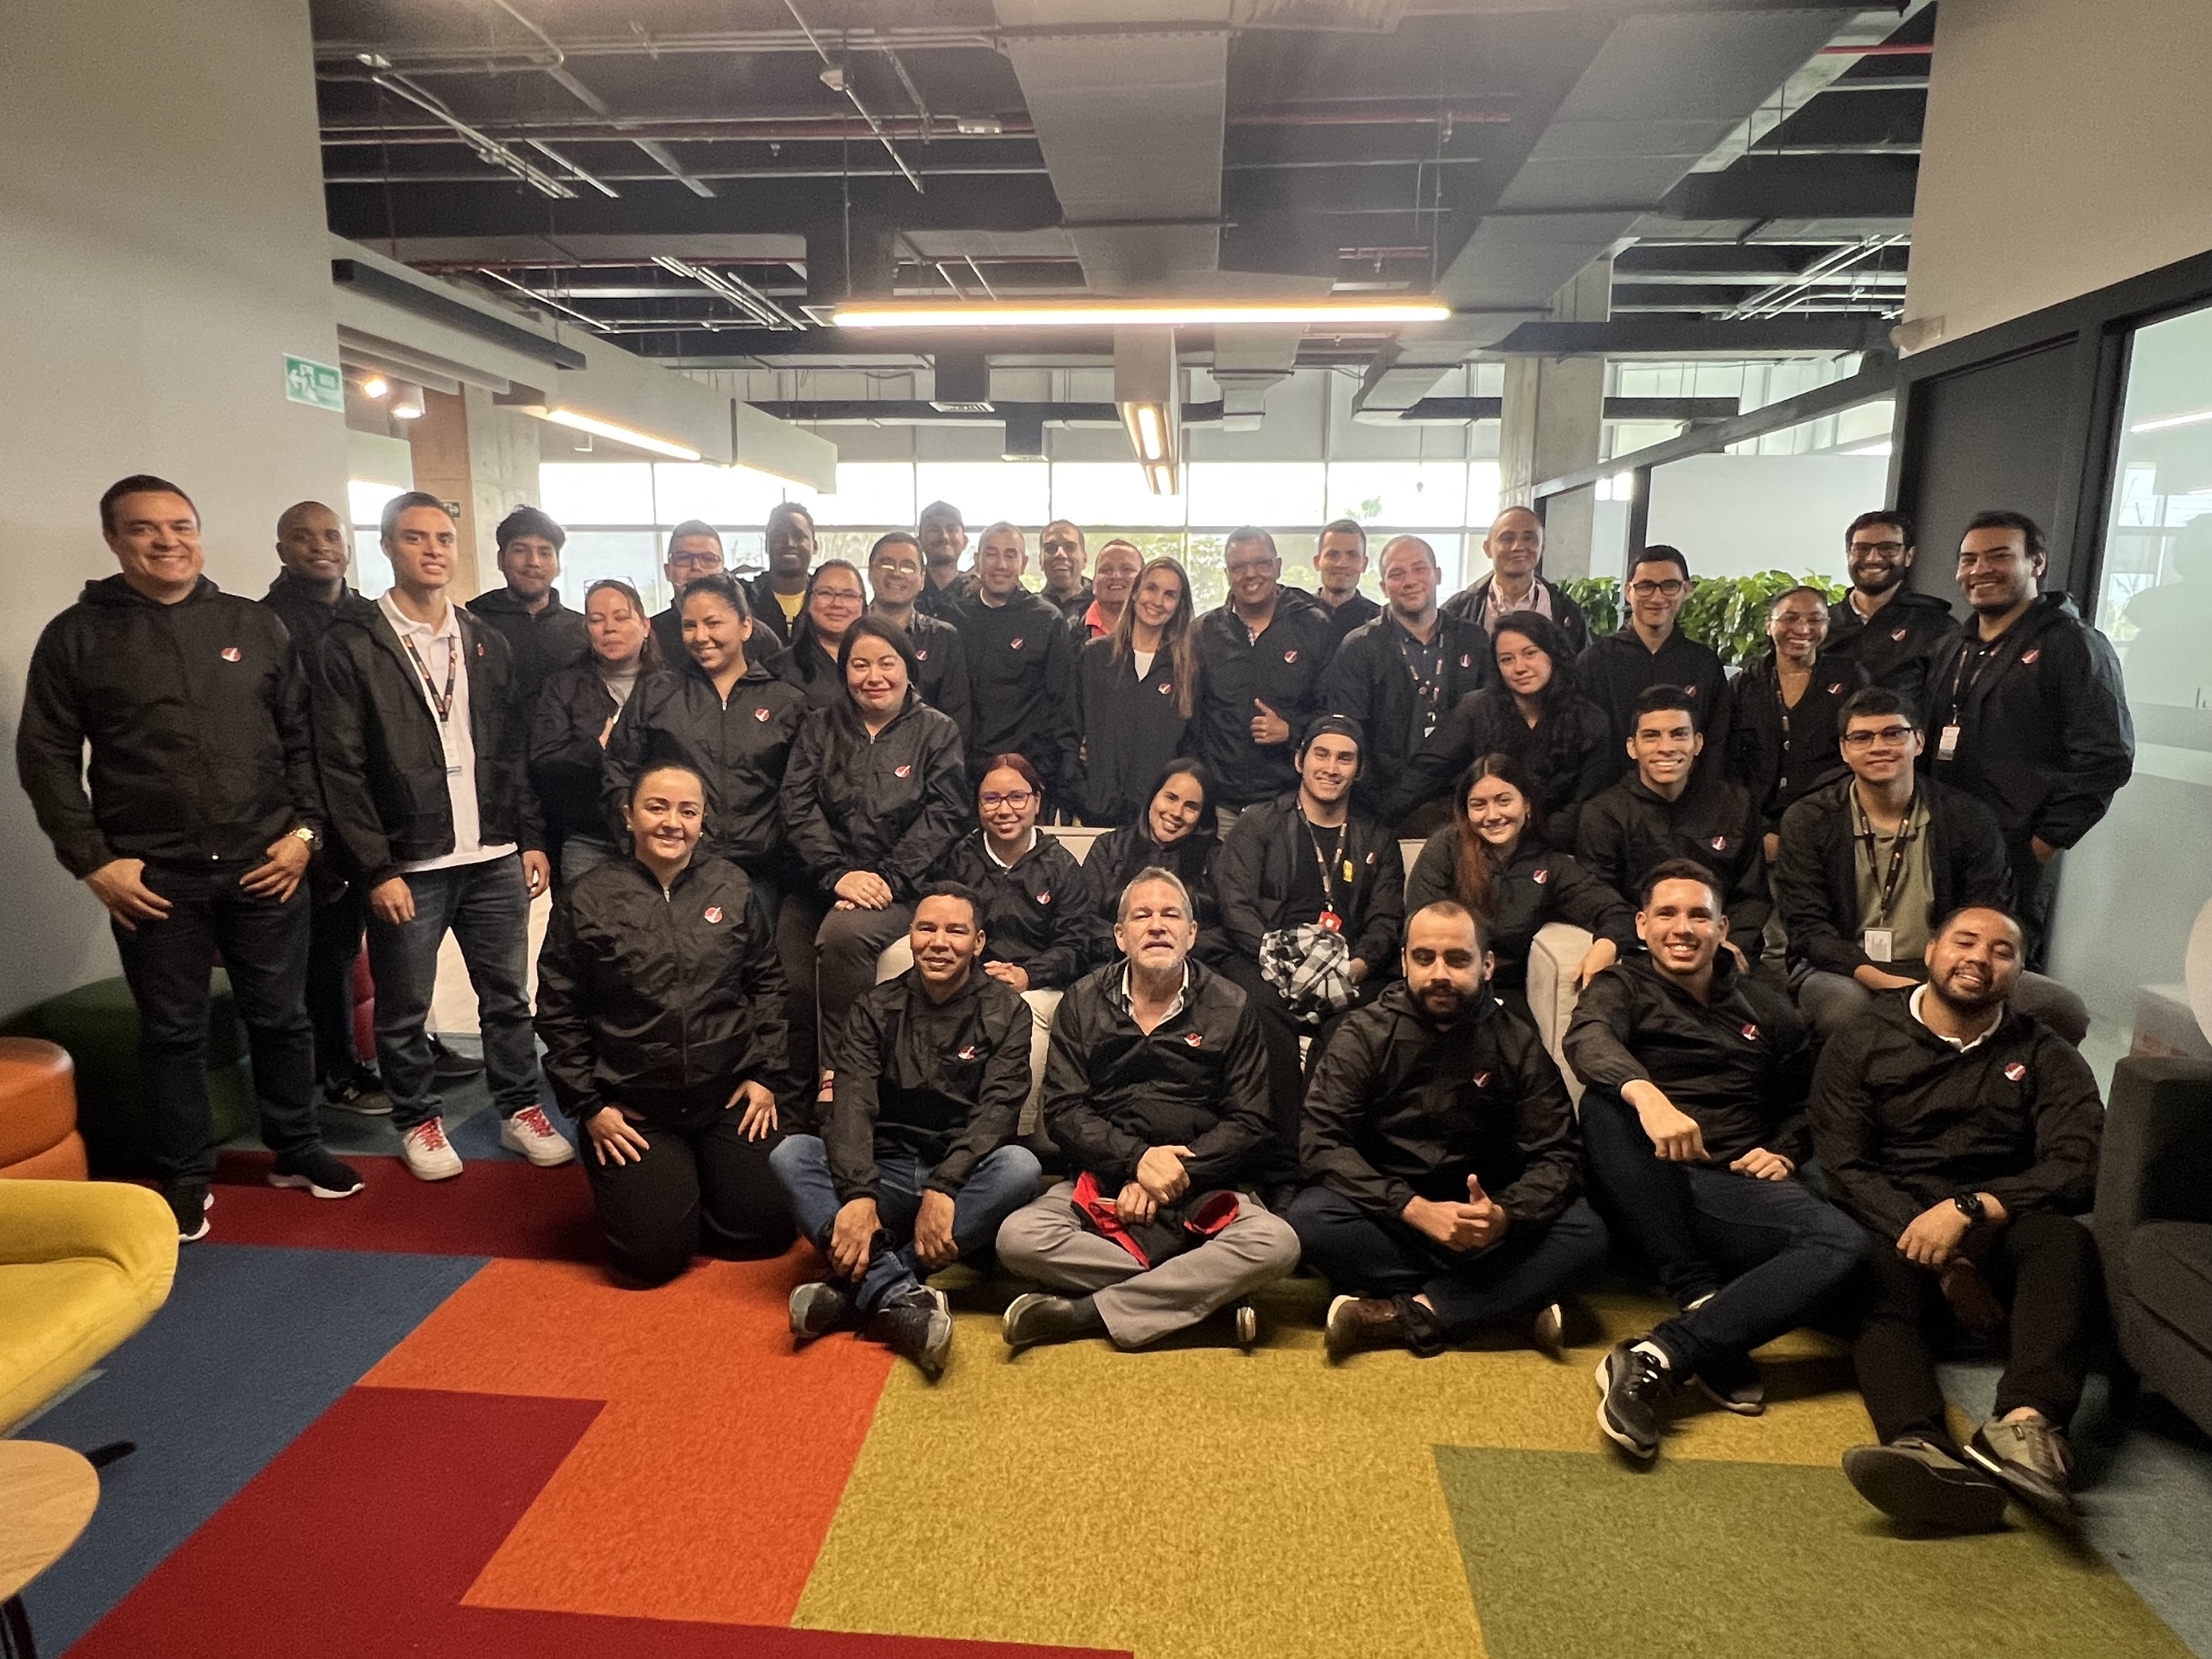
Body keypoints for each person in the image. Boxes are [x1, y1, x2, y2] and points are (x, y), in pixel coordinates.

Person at [19, 475, 361, 1238]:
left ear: (199, 534)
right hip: (153, 877)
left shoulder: (253, 624)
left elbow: (304, 741)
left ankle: (296, 1146)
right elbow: (45, 756)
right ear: (114, 540)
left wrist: (306, 836)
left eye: (180, 525)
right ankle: (184, 1174)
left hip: (267, 862)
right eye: (145, 528)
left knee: (283, 1018)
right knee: (172, 1033)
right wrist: (93, 861)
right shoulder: (77, 636)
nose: (167, 541)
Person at [1815, 906, 2104, 1531]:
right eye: (1964, 941)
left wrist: (1972, 1210)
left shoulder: (2044, 1052)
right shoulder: (1861, 1039)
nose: (1979, 958)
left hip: (1998, 1216)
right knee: (1877, 1279)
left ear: (2020, 970)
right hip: (1893, 1214)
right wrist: (1943, 1255)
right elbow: (1843, 1165)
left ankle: (2024, 1427)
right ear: (1931, 953)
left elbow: (2081, 1160)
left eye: (2002, 951)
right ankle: (1919, 1445)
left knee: (2065, 1242)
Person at [310, 492, 570, 1182]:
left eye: (444, 539)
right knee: (404, 1008)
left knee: (507, 998)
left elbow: (510, 751)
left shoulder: (483, 639)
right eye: (416, 537)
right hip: (410, 861)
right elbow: (339, 767)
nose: (433, 550)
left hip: (493, 852)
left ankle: (520, 1108)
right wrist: (375, 867)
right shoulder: (354, 643)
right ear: (387, 546)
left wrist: (528, 836)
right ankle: (417, 1119)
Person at [1566, 861, 1864, 1461]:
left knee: (1844, 1243)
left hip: (1733, 1183)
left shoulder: (1765, 1004)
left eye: (1698, 915)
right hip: (1643, 1179)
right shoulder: (1621, 986)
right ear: (1642, 925)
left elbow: (1807, 1102)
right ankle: (1699, 1295)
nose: (1683, 928)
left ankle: (1670, 1348)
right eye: (1667, 914)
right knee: (1605, 1106)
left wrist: (1785, 1151)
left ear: (1722, 928)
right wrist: (1649, 1098)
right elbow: (1588, 1039)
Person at [996, 868, 1302, 1351]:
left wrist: (1170, 1176)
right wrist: (1136, 1162)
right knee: (1018, 1238)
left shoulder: (1231, 1004)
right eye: (1142, 916)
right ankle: (1206, 1296)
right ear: (1121, 936)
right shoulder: (1081, 1001)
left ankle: (1086, 1313)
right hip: (1103, 1182)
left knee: (1278, 1244)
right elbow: (1065, 1111)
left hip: (1200, 1183)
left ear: (1191, 933)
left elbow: (1250, 1120)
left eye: (1170, 915)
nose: (1157, 926)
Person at [1290, 900, 1610, 1359]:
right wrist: (1413, 1208)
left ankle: (1410, 1311)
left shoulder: (1517, 1041)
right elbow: (1321, 1144)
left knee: (1587, 1234)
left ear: (1487, 965)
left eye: (1457, 959)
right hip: (1394, 1218)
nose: (1439, 973)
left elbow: (1558, 1154)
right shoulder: (1361, 1035)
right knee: (1310, 1219)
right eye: (1425, 958)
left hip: (1487, 1224)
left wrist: (1505, 1215)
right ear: (1405, 962)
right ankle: (1506, 1302)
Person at [535, 762, 796, 1285]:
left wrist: (765, 1074)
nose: (672, 822)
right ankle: (666, 1190)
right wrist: (589, 1105)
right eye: (657, 808)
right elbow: (558, 1008)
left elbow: (766, 983)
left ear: (702, 821)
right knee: (649, 1263)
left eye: (688, 811)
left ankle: (692, 1181)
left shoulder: (730, 885)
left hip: (726, 1094)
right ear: (629, 815)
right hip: (635, 1107)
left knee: (765, 1235)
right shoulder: (587, 898)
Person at [772, 885, 1045, 1378]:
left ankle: (853, 1287)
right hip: (886, 1175)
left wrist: (945, 1185)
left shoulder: (1008, 1011)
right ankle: (899, 1292)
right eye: (927, 928)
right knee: (791, 1155)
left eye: (955, 931)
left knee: (1021, 1167)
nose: (939, 942)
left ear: (978, 943)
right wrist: (859, 1193)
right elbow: (850, 1104)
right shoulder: (875, 1007)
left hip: (963, 1184)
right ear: (911, 936)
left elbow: (999, 1112)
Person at [1775, 688, 2089, 1043]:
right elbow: (1808, 930)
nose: (1879, 747)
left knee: (2060, 1008)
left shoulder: (1967, 817)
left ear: (1919, 741)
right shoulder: (1809, 820)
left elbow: (1991, 908)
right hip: (1845, 968)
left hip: (1949, 963)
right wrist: (1889, 982)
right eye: (1862, 737)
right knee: (1847, 1013)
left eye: (1894, 733)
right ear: (1845, 750)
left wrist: (1949, 975)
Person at [1926, 509, 2134, 967]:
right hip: (1944, 842)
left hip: (2016, 849)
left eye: (1999, 556)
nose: (1980, 570)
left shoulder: (2072, 643)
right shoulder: (1952, 646)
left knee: (1996, 973)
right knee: (1943, 965)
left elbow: (2107, 756)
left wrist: (2043, 842)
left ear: (2036, 563)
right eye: (1968, 559)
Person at [1215, 716, 1406, 1196]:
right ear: (1300, 760)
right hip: (1265, 959)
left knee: (1355, 1023)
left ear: (1359, 769)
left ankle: (1330, 1161)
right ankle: (1283, 1170)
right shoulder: (1259, 822)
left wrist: (1354, 969)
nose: (1331, 767)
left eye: (1345, 758)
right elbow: (1235, 904)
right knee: (1260, 1011)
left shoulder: (1377, 838)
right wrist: (1280, 965)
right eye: (1321, 754)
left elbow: (1386, 921)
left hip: (1347, 967)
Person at [779, 617, 970, 1088]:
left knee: (844, 935)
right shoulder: (819, 727)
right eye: (859, 665)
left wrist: (887, 879)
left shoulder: (937, 731)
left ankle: (843, 1076)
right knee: (786, 971)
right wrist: (838, 875)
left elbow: (945, 814)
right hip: (822, 880)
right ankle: (788, 1091)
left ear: (907, 668)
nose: (874, 676)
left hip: (903, 887)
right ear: (844, 671)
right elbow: (797, 805)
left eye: (887, 663)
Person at [261, 500, 383, 1113]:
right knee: (329, 950)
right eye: (302, 537)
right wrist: (304, 821)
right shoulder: (264, 624)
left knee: (395, 940)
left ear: (348, 545)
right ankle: (338, 1068)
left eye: (330, 534)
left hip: (377, 806)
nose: (319, 546)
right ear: (282, 550)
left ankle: (400, 1044)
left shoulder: (372, 618)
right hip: (311, 814)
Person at [602, 573, 809, 919]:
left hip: (758, 876)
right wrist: (637, 840)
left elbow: (800, 792)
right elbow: (619, 770)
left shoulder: (785, 702)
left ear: (745, 627)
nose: (701, 637)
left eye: (713, 623)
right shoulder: (656, 693)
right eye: (689, 625)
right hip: (670, 872)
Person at [932, 755, 1109, 1108]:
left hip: (1038, 987)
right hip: (968, 980)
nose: (1005, 810)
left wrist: (1027, 975)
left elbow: (1076, 945)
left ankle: (1016, 1131)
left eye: (1017, 797)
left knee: (1022, 1014)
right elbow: (945, 929)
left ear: (1036, 801)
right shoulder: (958, 860)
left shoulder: (1061, 866)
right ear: (978, 804)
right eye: (991, 799)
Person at [1403, 756, 1632, 1009]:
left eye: (1504, 801)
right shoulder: (1445, 849)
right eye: (1479, 805)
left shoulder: (1548, 863)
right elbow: (1419, 926)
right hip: (1438, 987)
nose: (1492, 815)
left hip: (1505, 992)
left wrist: (1608, 945)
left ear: (1527, 804)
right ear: (1465, 811)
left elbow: (1615, 911)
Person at [1387, 611, 1612, 851]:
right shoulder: (1475, 710)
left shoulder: (1590, 721)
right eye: (1507, 659)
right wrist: (1380, 821)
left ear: (1553, 655)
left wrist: (1526, 841)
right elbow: (1424, 773)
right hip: (1484, 839)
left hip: (1558, 845)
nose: (1520, 667)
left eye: (1530, 653)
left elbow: (1587, 805)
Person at [1577, 687, 1769, 961]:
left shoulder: (1736, 804)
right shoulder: (1603, 814)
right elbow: (1601, 898)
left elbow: (1752, 894)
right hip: (1639, 956)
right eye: (1651, 736)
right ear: (1632, 747)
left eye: (1679, 734)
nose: (1666, 748)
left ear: (1698, 743)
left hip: (1724, 952)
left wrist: (1730, 946)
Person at [1322, 535, 1491, 831]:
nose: (1410, 581)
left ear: (1437, 575)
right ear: (1383, 587)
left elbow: (1490, 724)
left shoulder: (1472, 639)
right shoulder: (1359, 647)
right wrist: (1381, 809)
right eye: (1397, 574)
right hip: (1385, 810)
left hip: (1464, 805)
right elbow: (1349, 734)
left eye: (1419, 569)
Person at [1192, 527, 1337, 821]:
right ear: (1227, 574)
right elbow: (1192, 718)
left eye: (1261, 563)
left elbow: (1332, 712)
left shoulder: (1314, 626)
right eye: (1239, 567)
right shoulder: (1204, 632)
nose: (1251, 574)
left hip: (1290, 802)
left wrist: (1291, 732)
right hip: (1220, 805)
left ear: (1277, 566)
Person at [529, 578, 662, 887]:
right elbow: (542, 763)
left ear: (645, 626)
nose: (609, 629)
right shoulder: (563, 686)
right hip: (589, 838)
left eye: (621, 617)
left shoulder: (671, 687)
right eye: (597, 620)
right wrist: (595, 749)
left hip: (660, 837)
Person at [1725, 585, 1869, 858]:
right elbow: (1729, 764)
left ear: (1827, 625)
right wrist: (1759, 829)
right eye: (1790, 618)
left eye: (1815, 620)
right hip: (1755, 828)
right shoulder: (1744, 685)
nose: (1802, 629)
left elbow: (1859, 753)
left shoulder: (1850, 678)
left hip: (1828, 823)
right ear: (1769, 625)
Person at [1577, 545, 1730, 789]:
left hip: (1687, 799)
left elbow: (1717, 743)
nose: (1657, 598)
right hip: (1609, 799)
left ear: (1687, 590)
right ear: (1628, 591)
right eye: (1645, 586)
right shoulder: (1595, 661)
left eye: (1670, 586)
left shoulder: (1704, 663)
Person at [952, 521, 1079, 798]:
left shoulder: (1046, 620)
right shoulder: (955, 619)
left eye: (1010, 555)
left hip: (1028, 772)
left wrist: (1051, 772)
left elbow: (1062, 705)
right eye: (991, 554)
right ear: (977, 560)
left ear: (1023, 563)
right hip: (965, 774)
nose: (1001, 564)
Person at [1074, 555, 1198, 827]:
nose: (1157, 601)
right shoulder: (1096, 657)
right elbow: (1067, 732)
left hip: (1160, 819)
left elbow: (1193, 747)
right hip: (1095, 813)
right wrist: (1081, 795)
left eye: (1169, 595)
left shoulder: (1188, 669)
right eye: (1151, 588)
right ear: (1135, 593)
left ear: (1179, 605)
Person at [1080, 758, 1226, 955]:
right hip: (1114, 959)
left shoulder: (1217, 856)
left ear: (1202, 816)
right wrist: (1137, 947)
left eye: (1191, 806)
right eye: (1171, 798)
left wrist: (1171, 947)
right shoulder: (1108, 847)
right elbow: (1086, 921)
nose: (1177, 813)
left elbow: (1226, 930)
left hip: (1194, 962)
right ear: (1153, 797)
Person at [1823, 511, 1959, 705]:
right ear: (1848, 554)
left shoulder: (1936, 627)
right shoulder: (1820, 624)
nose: (1873, 558)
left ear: (1909, 556)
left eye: (1888, 548)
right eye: (1862, 548)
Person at [464, 505, 589, 711]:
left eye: (545, 552)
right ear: (500, 560)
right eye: (520, 550)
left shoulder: (582, 631)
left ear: (558, 564)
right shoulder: (471, 626)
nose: (533, 562)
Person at [1441, 505, 1592, 654]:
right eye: (1507, 538)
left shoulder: (1568, 612)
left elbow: (1582, 667)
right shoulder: (1458, 610)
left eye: (1528, 538)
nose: (1518, 547)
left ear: (1543, 547)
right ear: (1487, 548)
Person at [866, 530, 971, 736]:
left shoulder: (944, 638)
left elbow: (956, 720)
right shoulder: (850, 633)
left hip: (929, 752)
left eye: (908, 566)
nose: (896, 573)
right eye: (887, 564)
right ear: (870, 572)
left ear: (922, 579)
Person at [779, 559, 870, 710]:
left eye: (849, 595)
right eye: (826, 594)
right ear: (809, 602)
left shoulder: (882, 665)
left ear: (863, 605)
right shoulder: (779, 669)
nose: (837, 604)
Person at [649, 520, 727, 666]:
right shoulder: (649, 635)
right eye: (683, 558)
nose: (696, 566)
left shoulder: (750, 633)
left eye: (708, 559)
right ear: (667, 571)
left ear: (723, 571)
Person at [748, 501, 818, 651]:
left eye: (799, 536)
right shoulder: (744, 600)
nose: (789, 543)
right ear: (766, 546)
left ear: (815, 546)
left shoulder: (829, 600)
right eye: (779, 537)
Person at [1313, 518, 1381, 645]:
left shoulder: (1380, 624)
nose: (1342, 564)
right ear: (1317, 562)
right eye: (1332, 555)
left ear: (1364, 564)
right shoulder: (1295, 618)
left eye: (1352, 555)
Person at [915, 499, 975, 618]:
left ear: (965, 541)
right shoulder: (908, 588)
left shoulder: (977, 593)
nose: (944, 537)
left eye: (952, 529)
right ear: (919, 542)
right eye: (933, 530)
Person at [1075, 537, 1143, 641]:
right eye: (1106, 570)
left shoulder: (1164, 632)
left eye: (1127, 569)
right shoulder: (1068, 632)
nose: (1116, 576)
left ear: (1144, 579)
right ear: (1094, 582)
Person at [1038, 519, 1091, 624]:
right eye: (1050, 548)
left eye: (1070, 547)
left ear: (1084, 559)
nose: (1060, 554)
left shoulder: (1103, 605)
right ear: (1040, 560)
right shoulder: (1031, 611)